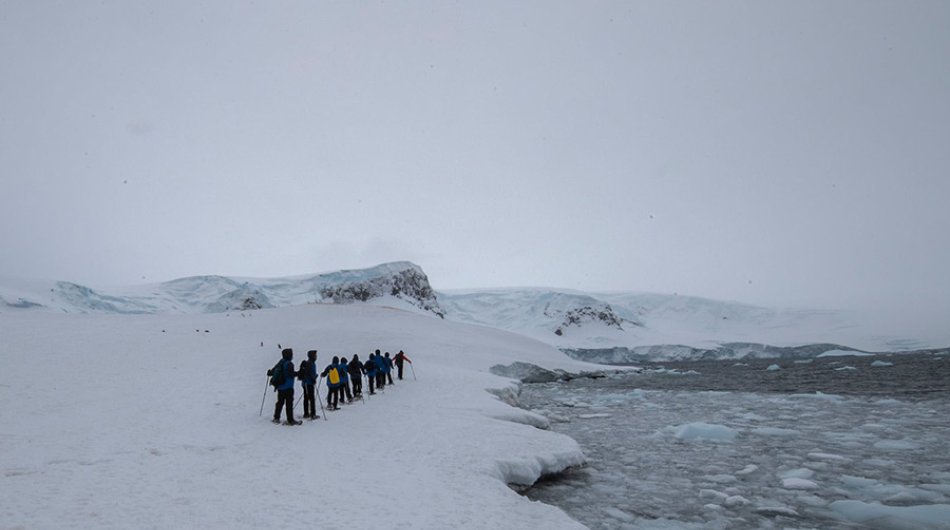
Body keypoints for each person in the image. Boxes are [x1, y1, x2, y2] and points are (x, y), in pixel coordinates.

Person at [270, 348, 300, 425]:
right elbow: (291, 374)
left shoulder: (281, 362)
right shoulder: (289, 364)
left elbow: (273, 371)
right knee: (289, 404)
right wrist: (299, 373)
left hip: (280, 387)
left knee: (280, 402)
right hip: (288, 387)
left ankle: (276, 417)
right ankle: (290, 420)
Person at [298, 350, 319, 420]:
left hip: (305, 383)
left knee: (306, 398)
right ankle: (312, 414)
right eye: (315, 355)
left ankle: (306, 413)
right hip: (309, 383)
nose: (316, 356)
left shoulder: (308, 363)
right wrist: (315, 376)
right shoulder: (311, 363)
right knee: (311, 399)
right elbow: (311, 374)